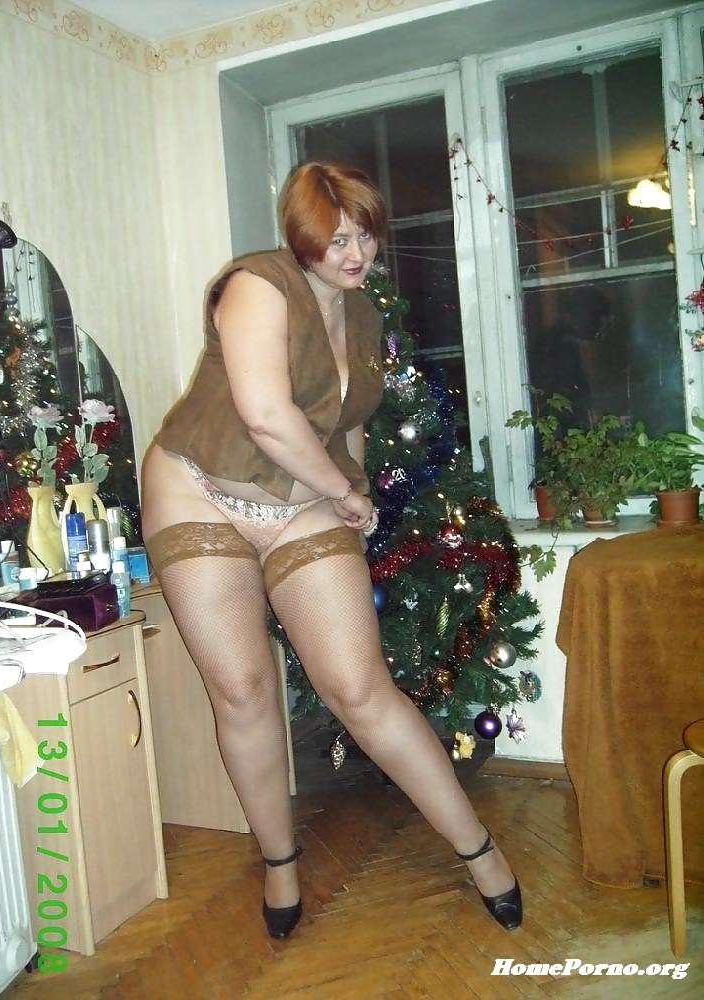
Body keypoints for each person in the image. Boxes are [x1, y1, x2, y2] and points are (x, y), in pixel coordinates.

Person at [141, 161, 522, 939]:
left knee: (361, 689)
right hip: (199, 490)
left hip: (300, 503)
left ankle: (479, 848)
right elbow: (266, 416)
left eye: (366, 236)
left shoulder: (364, 316)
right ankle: (280, 862)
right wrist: (346, 494)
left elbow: (347, 425)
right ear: (301, 236)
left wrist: (353, 490)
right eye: (338, 239)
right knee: (242, 691)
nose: (356, 254)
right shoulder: (256, 285)